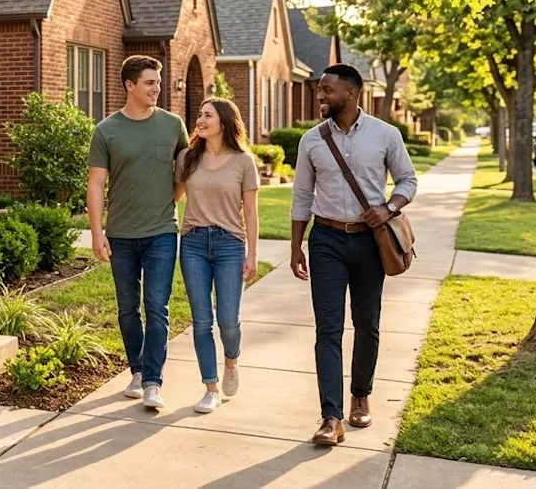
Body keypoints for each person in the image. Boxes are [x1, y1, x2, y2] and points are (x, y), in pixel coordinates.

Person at [290, 64, 418, 446]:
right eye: (318, 89)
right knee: (327, 328)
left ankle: (360, 396)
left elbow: (408, 180)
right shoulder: (312, 141)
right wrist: (296, 245)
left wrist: (389, 207)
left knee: (367, 323)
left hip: (368, 241)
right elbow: (301, 196)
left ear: (351, 93)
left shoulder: (385, 135)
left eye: (327, 90)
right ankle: (330, 417)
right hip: (326, 238)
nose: (320, 96)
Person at [87, 55, 189, 409]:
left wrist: (168, 205)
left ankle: (152, 381)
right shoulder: (106, 130)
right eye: (149, 82)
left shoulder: (173, 125)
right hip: (121, 234)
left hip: (162, 230)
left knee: (156, 306)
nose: (156, 88)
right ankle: (136, 368)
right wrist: (97, 232)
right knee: (127, 307)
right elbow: (97, 185)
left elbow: (183, 175)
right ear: (130, 86)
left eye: (158, 82)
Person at [173, 98, 260, 414]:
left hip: (229, 245)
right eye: (198, 114)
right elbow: (174, 196)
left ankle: (232, 361)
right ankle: (210, 387)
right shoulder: (187, 158)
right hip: (194, 242)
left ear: (223, 121)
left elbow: (250, 211)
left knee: (227, 320)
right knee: (201, 320)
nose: (200, 119)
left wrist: (252, 254)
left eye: (207, 115)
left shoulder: (242, 162)